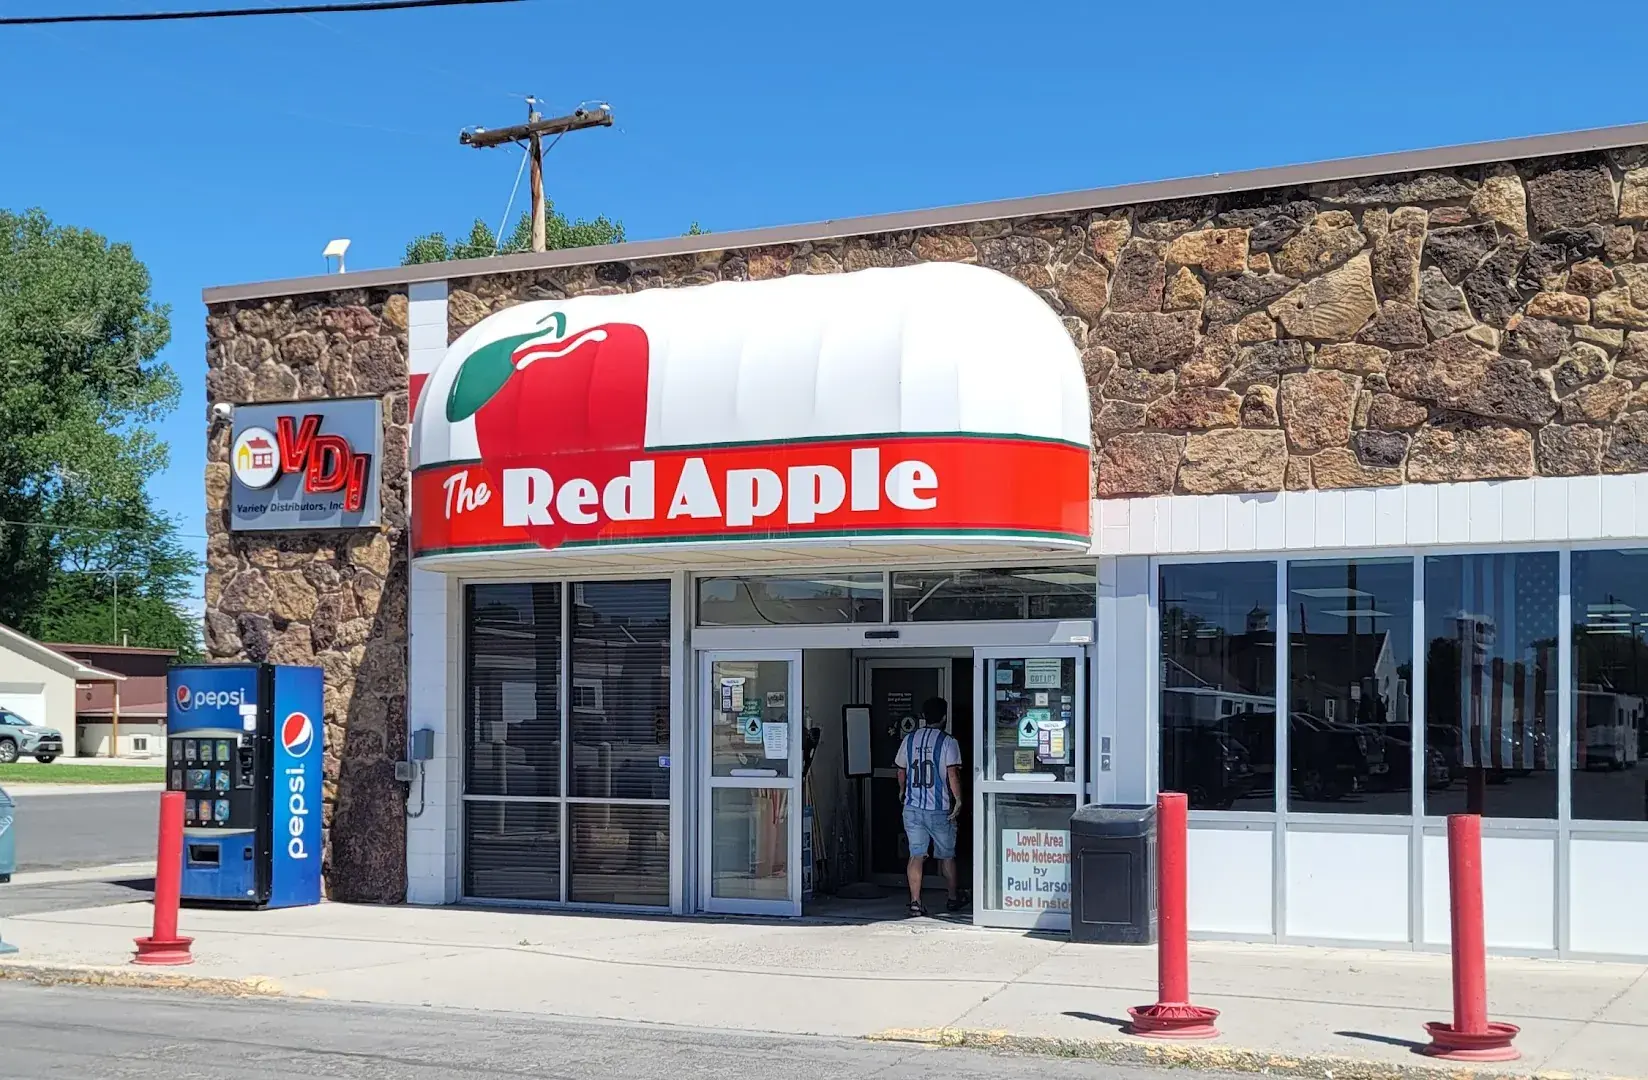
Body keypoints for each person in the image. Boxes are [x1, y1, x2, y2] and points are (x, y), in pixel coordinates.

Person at [894, 696, 966, 916]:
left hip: (913, 807)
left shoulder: (909, 739)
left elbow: (901, 770)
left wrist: (902, 790)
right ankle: (953, 898)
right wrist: (959, 799)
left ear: (923, 717)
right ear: (944, 717)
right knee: (946, 855)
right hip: (939, 808)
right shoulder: (948, 741)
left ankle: (915, 902)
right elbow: (953, 773)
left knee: (916, 854)